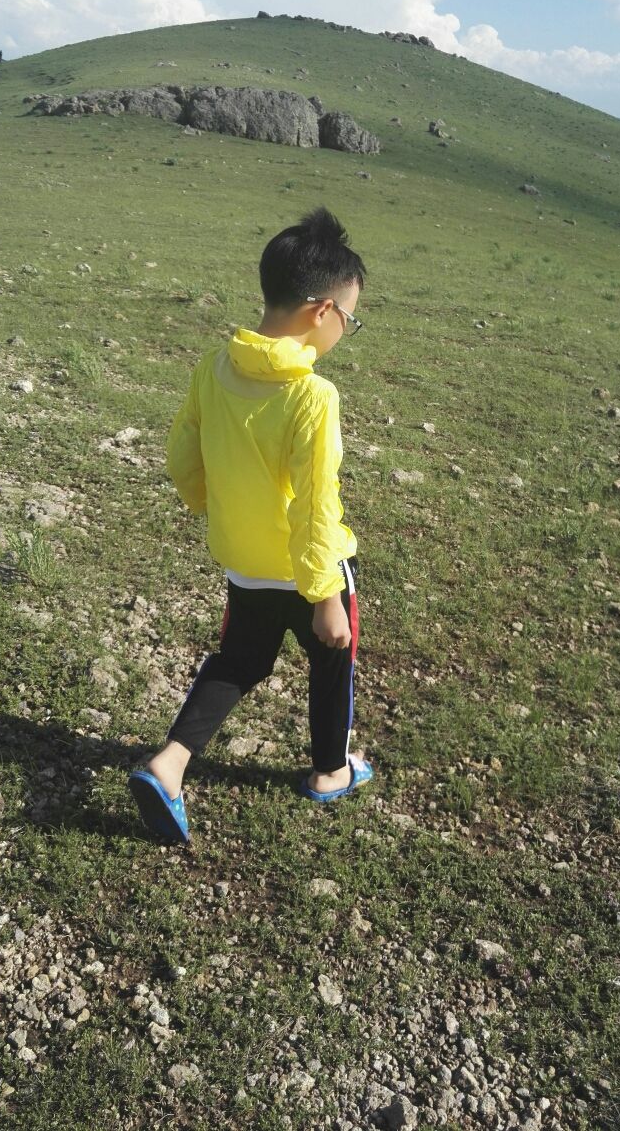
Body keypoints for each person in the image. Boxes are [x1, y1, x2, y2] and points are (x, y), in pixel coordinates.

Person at [128, 207, 372, 843]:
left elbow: (183, 455)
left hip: (243, 559)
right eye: (350, 318)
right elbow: (318, 505)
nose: (346, 330)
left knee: (237, 661)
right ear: (322, 311)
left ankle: (170, 764)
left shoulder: (214, 368)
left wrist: (218, 508)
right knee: (331, 663)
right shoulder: (313, 396)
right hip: (311, 571)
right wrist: (324, 595)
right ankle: (329, 772)